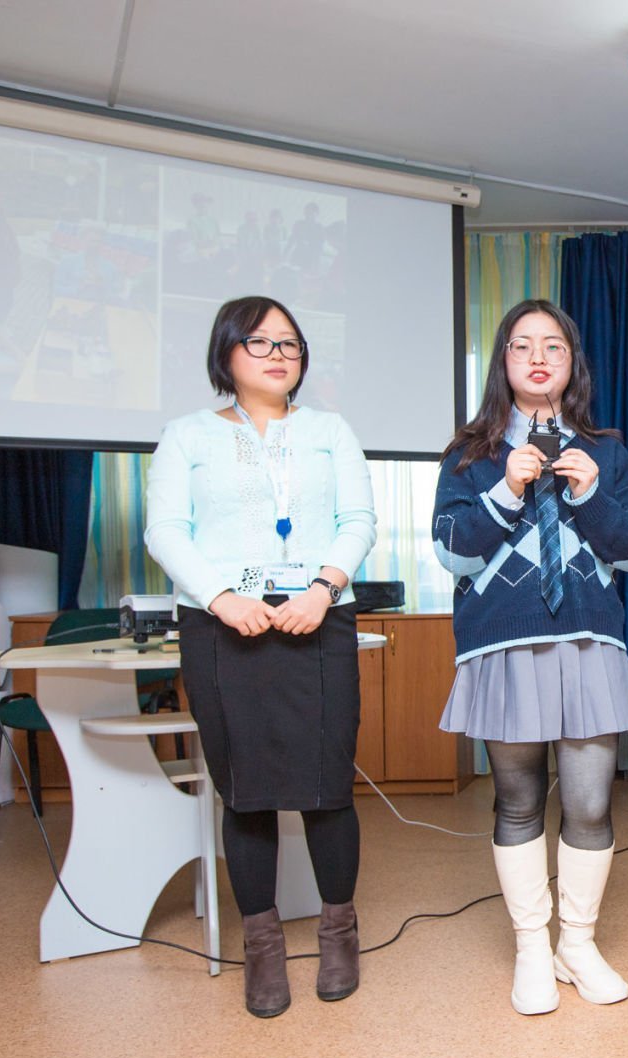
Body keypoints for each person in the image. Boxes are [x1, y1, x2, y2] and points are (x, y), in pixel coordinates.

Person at [145, 295, 376, 1019]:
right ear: (226, 352)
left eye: (290, 344)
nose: (279, 355)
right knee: (244, 791)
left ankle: (339, 934)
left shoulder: (331, 430)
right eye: (260, 342)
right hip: (223, 628)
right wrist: (220, 597)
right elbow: (165, 530)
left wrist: (323, 589)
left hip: (319, 620)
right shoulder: (186, 435)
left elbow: (358, 520)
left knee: (327, 786)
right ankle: (263, 948)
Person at [433, 298, 628, 1015]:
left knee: (590, 800)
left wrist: (589, 494)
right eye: (522, 345)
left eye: (553, 346)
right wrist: (506, 490)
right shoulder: (469, 454)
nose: (538, 357)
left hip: (589, 641)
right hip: (506, 643)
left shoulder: (607, 451)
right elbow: (450, 550)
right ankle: (532, 946)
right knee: (519, 797)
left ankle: (577, 945)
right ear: (503, 361)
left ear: (571, 363)